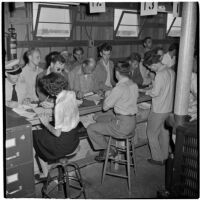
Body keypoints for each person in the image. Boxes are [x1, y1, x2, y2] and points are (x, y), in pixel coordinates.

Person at [87, 61, 138, 161]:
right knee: (102, 119)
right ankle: (109, 150)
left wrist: (107, 95)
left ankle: (108, 149)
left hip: (122, 126)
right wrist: (112, 93)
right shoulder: (133, 85)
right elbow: (126, 97)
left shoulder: (119, 88)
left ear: (117, 72)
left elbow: (105, 107)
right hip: (132, 122)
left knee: (91, 128)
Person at [33, 72, 80, 177]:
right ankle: (46, 170)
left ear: (50, 91)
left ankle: (45, 173)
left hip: (63, 144)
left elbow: (57, 133)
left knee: (35, 136)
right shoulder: (71, 94)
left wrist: (45, 123)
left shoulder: (59, 105)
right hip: (74, 139)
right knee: (42, 134)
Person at [143, 53, 175, 165]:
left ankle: (157, 158)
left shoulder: (160, 74)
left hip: (158, 109)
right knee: (164, 133)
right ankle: (165, 156)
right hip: (168, 108)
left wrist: (147, 91)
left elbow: (155, 93)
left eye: (150, 66)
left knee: (151, 133)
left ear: (155, 63)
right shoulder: (171, 71)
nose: (150, 69)